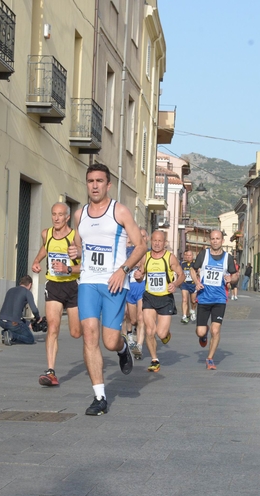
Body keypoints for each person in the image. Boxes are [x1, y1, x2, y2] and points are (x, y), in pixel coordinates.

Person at [68, 163, 147, 416]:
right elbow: (78, 246)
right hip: (89, 282)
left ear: (108, 184)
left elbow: (141, 246)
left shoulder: (119, 212)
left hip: (114, 283)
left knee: (109, 341)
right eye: (90, 180)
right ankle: (99, 397)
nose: (94, 185)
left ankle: (123, 348)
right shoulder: (79, 215)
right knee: (89, 335)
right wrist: (75, 252)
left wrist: (122, 270)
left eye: (99, 181)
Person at [30, 202, 82, 387]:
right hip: (53, 285)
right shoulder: (47, 233)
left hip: (73, 286)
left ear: (67, 217)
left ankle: (90, 323)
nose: (57, 218)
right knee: (53, 328)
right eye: (54, 214)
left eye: (61, 215)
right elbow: (46, 247)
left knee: (76, 333)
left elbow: (85, 265)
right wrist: (37, 260)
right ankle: (50, 372)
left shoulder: (75, 236)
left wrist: (68, 268)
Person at [134, 230, 184, 372]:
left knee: (161, 334)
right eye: (154, 241)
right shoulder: (146, 257)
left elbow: (181, 275)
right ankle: (154, 359)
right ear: (151, 241)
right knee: (150, 331)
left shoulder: (170, 258)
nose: (156, 244)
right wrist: (138, 276)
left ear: (165, 243)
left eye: (159, 241)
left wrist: (175, 284)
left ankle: (166, 334)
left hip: (165, 298)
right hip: (149, 296)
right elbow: (140, 275)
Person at [189, 230, 239, 370]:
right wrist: (196, 281)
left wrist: (231, 278)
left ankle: (210, 358)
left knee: (215, 330)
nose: (215, 241)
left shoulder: (227, 258)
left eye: (218, 238)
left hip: (219, 299)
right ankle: (203, 337)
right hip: (204, 298)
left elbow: (235, 275)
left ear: (222, 241)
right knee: (200, 331)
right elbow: (193, 269)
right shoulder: (203, 255)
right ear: (210, 240)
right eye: (212, 239)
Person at [123, 228, 149, 358]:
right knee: (132, 319)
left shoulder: (150, 254)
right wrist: (132, 265)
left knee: (140, 318)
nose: (142, 238)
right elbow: (121, 267)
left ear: (147, 239)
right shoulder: (129, 252)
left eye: (144, 236)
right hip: (130, 288)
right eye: (140, 236)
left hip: (143, 289)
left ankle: (139, 346)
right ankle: (129, 334)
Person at [0, 275, 40, 346]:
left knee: (19, 326)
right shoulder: (27, 292)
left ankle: (5, 333)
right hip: (13, 323)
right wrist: (38, 317)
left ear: (21, 283)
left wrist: (27, 323)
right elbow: (34, 310)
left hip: (1, 321)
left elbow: (13, 311)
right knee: (30, 339)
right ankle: (11, 336)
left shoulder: (10, 290)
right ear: (30, 284)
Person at [179, 250, 197, 324]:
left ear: (192, 256)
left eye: (190, 255)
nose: (188, 257)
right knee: (184, 300)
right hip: (185, 284)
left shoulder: (196, 264)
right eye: (187, 255)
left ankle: (192, 310)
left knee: (193, 301)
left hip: (193, 284)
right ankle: (184, 316)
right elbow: (179, 273)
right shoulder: (182, 264)